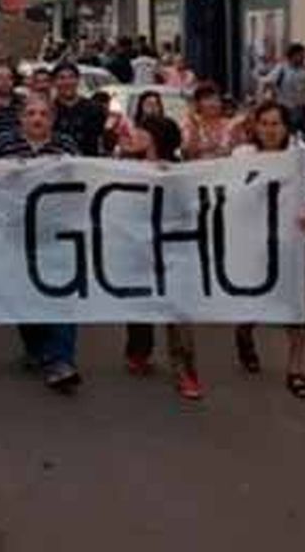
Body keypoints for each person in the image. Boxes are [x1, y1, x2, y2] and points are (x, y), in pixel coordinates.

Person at [232, 101, 305, 399]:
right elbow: (228, 187)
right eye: (264, 123)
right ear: (255, 126)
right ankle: (244, 332)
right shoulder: (243, 155)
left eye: (275, 123)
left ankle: (296, 370)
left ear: (286, 126)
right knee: (253, 296)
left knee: (296, 305)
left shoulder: (303, 155)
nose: (269, 129)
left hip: (296, 242)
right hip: (256, 241)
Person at [0, 96, 84, 394]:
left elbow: (82, 181)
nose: (37, 119)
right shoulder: (3, 145)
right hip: (16, 232)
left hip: (55, 232)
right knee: (24, 293)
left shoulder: (66, 147)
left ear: (52, 119)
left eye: (43, 114)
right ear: (21, 119)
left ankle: (62, 360)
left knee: (62, 295)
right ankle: (36, 348)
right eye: (31, 113)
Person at [117, 118, 204, 400]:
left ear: (154, 138)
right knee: (139, 303)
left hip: (172, 250)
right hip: (137, 247)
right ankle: (138, 351)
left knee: (177, 311)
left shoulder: (178, 172)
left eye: (140, 131)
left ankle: (185, 370)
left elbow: (192, 209)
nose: (134, 134)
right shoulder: (124, 165)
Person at [258, 42, 305, 134]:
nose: (304, 58)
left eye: (304, 55)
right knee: (286, 133)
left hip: (302, 109)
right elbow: (268, 82)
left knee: (304, 134)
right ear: (293, 55)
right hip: (285, 107)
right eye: (301, 55)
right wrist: (269, 96)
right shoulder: (282, 68)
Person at [51, 61, 108, 157]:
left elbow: (105, 142)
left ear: (78, 80)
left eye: (71, 77)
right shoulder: (48, 110)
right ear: (54, 82)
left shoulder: (94, 108)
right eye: (61, 78)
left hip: (88, 164)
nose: (67, 82)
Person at [182, 82, 242, 161]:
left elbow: (235, 150)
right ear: (198, 104)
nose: (213, 103)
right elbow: (188, 153)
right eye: (207, 99)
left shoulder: (231, 124)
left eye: (216, 99)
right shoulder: (190, 123)